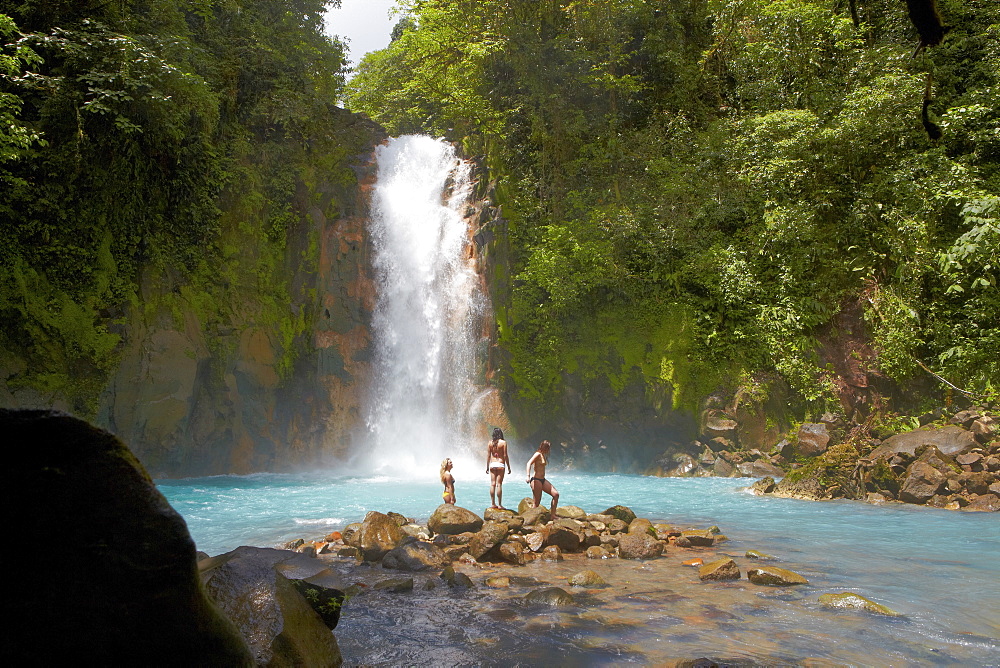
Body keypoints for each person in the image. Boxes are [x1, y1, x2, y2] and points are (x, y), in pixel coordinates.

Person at [525, 440, 559, 519]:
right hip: (536, 480)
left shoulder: (543, 455)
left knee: (555, 494)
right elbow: (528, 463)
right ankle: (532, 520)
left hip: (542, 480)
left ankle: (553, 515)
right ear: (544, 447)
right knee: (536, 503)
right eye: (548, 448)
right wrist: (528, 476)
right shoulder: (537, 454)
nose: (549, 450)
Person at [485, 427, 511, 509]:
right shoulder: (503, 443)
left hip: (492, 465)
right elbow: (505, 455)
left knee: (492, 484)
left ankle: (493, 503)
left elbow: (488, 456)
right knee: (499, 484)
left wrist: (487, 467)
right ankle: (499, 505)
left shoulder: (490, 443)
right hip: (500, 464)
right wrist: (509, 467)